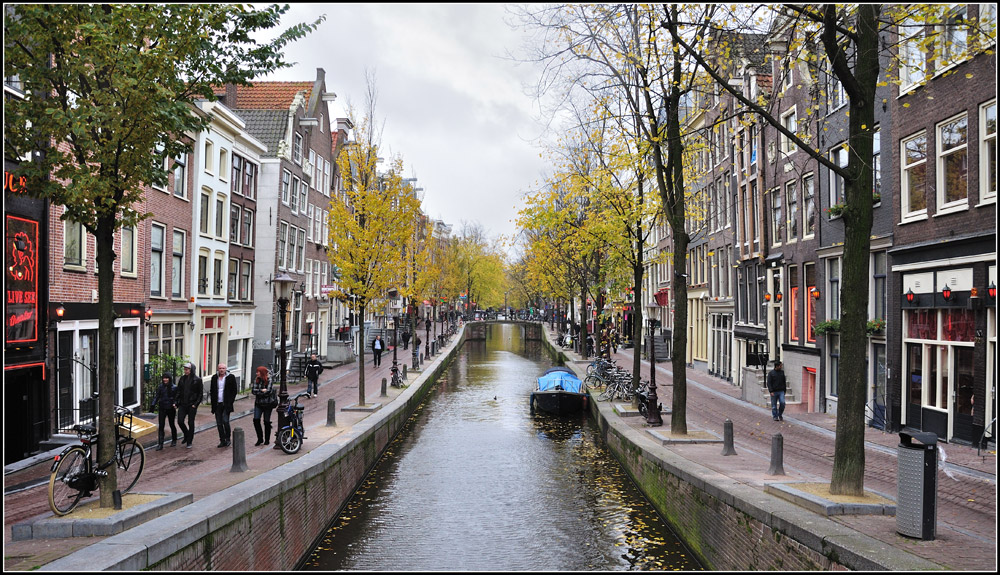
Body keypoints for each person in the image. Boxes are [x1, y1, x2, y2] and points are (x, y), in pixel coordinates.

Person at [175, 362, 203, 449]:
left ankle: (189, 441)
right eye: (185, 369)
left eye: (187, 369)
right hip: (183, 404)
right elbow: (178, 391)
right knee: (180, 421)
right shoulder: (182, 379)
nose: (185, 371)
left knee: (191, 422)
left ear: (191, 370)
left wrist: (195, 404)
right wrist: (176, 402)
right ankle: (186, 434)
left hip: (191, 405)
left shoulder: (197, 380)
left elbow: (200, 394)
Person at [210, 363, 237, 447]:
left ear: (226, 369)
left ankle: (228, 438)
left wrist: (230, 402)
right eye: (220, 368)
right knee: (219, 423)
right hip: (217, 403)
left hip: (226, 404)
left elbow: (234, 390)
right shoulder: (214, 378)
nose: (221, 370)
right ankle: (222, 440)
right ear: (218, 369)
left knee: (225, 421)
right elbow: (212, 390)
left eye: (223, 368)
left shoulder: (230, 377)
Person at [251, 366, 275, 446]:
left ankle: (267, 439)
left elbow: (269, 391)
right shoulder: (256, 380)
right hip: (258, 403)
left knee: (266, 421)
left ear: (262, 373)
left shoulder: (269, 380)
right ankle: (260, 438)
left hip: (268, 404)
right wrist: (262, 391)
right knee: (256, 420)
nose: (256, 373)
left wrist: (261, 392)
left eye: (258, 372)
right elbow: (253, 391)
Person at [152, 373, 177, 450]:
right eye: (164, 378)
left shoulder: (174, 387)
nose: (165, 380)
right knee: (161, 425)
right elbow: (157, 396)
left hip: (170, 408)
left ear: (169, 379)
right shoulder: (160, 387)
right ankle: (160, 443)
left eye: (166, 378)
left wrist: (175, 403)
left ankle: (174, 439)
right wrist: (153, 404)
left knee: (171, 424)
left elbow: (177, 397)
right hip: (162, 408)